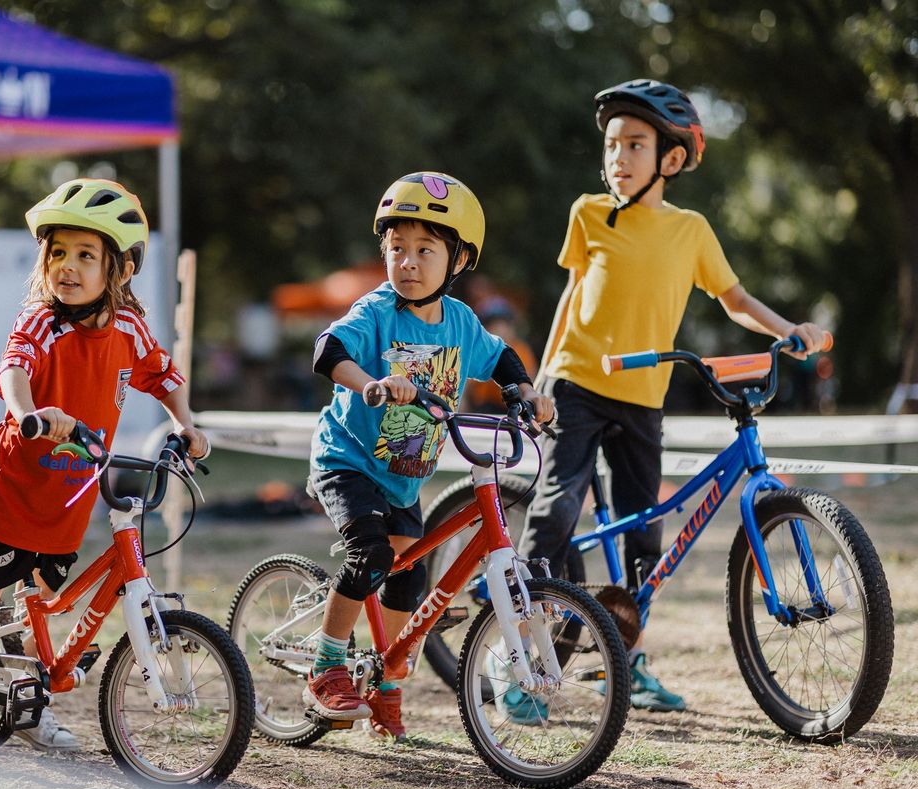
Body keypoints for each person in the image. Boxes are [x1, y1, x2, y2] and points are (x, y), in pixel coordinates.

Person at [517, 79, 825, 716]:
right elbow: (572, 295)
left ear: (672, 159)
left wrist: (787, 330)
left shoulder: (691, 231)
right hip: (576, 383)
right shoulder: (587, 213)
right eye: (611, 146)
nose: (619, 158)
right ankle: (515, 655)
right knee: (555, 514)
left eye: (635, 145)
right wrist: (542, 376)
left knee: (644, 534)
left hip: (643, 396)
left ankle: (625, 661)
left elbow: (733, 301)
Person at [0, 178, 209, 752]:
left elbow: (163, 375)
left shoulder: (129, 329)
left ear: (120, 270)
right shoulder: (42, 321)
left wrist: (188, 424)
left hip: (70, 499)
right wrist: (31, 412)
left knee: (41, 601)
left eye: (86, 255)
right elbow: (13, 366)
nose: (67, 266)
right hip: (13, 492)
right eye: (57, 252)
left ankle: (31, 709)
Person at [306, 172, 554, 740]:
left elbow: (502, 360)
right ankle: (326, 666)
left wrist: (527, 394)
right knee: (370, 556)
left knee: (407, 580)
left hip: (404, 476)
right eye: (396, 249)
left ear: (458, 259)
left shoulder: (462, 323)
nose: (408, 262)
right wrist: (368, 382)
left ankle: (386, 680)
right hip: (349, 461)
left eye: (424, 250)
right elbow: (329, 350)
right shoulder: (376, 312)